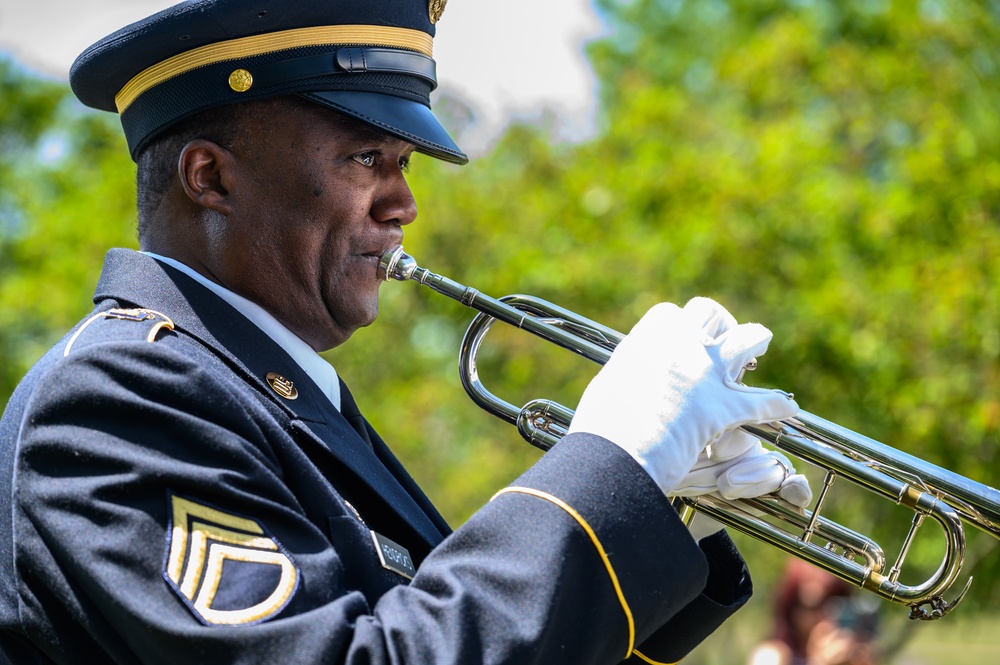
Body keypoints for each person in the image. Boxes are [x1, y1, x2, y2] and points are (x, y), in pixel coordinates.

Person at [0, 1, 812, 663]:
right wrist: (607, 470)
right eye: (364, 159)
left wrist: (649, 506)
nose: (402, 205)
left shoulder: (269, 395)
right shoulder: (116, 397)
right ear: (211, 176)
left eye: (404, 164)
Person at [747, 560, 879, 665]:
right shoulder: (770, 656)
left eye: (835, 604)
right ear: (793, 610)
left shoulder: (852, 657)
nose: (825, 615)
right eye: (813, 605)